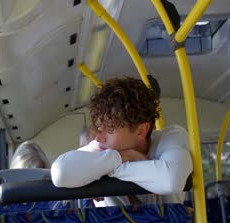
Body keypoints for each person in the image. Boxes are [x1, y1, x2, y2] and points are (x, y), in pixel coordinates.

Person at [51, 77, 193, 206]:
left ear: (141, 130)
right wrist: (125, 157)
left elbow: (171, 180)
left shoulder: (171, 137)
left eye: (110, 129)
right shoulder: (102, 148)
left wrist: (103, 171)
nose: (98, 138)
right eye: (99, 128)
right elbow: (60, 173)